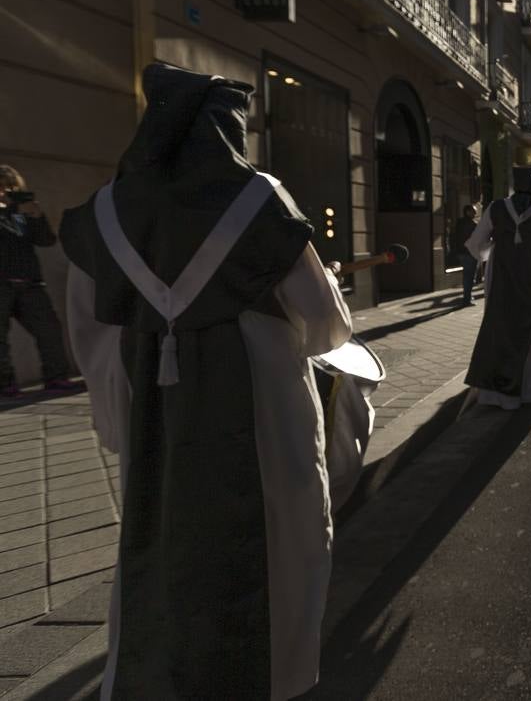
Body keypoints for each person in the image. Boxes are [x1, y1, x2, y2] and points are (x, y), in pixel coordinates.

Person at [59, 64, 351, 700]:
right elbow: (327, 326)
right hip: (264, 419)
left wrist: (118, 415)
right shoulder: (258, 200)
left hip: (154, 415)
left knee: (160, 544)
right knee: (278, 546)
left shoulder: (105, 211)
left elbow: (88, 330)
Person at [463, 161, 531, 410]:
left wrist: (491, 249)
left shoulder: (495, 209)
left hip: (500, 284)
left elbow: (476, 245)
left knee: (498, 329)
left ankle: (496, 394)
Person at [0, 166, 78, 396]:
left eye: (11, 186)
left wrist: (36, 216)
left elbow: (46, 241)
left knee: (49, 331)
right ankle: (5, 384)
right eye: (3, 185)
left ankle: (57, 378)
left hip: (29, 282)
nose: (6, 190)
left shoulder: (20, 213)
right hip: (2, 283)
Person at [448, 204, 480, 306]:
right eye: (473, 211)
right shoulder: (472, 224)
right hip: (470, 252)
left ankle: (467, 296)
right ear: (467, 212)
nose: (475, 213)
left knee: (467, 275)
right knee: (469, 276)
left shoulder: (459, 223)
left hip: (461, 252)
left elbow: (454, 237)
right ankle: (467, 299)